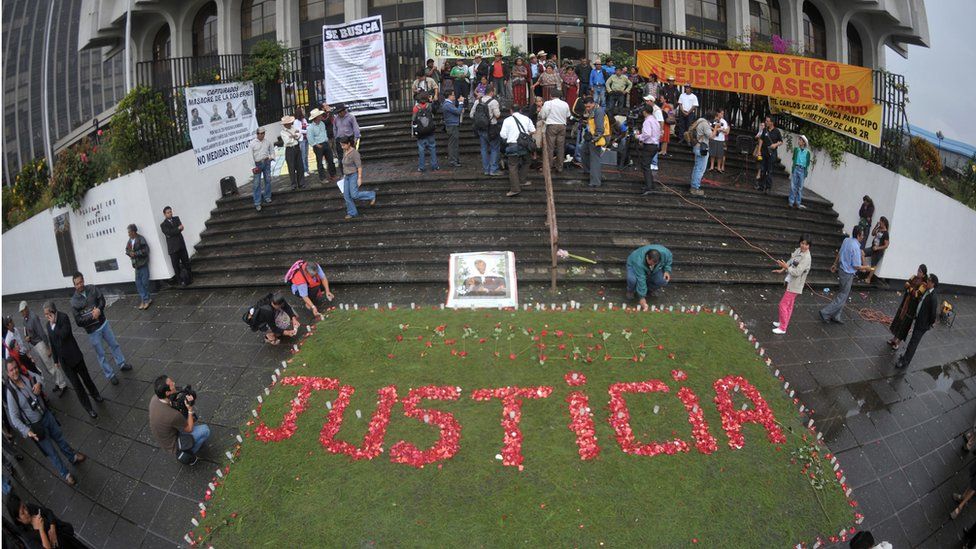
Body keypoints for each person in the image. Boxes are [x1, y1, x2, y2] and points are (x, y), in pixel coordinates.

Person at [5, 359, 85, 485]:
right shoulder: (11, 393)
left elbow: (39, 377)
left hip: (46, 415)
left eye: (15, 368)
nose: (14, 371)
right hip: (37, 427)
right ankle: (66, 474)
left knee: (60, 438)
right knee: (52, 453)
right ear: (7, 373)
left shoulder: (26, 375)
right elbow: (14, 418)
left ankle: (72, 457)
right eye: (11, 370)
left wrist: (39, 385)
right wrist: (27, 431)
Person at [69, 272, 133, 384]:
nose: (79, 285)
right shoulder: (73, 301)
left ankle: (121, 363)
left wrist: (99, 309)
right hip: (92, 331)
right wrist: (92, 316)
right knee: (101, 354)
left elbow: (102, 300)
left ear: (83, 280)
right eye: (77, 284)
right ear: (74, 285)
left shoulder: (93, 288)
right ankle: (110, 374)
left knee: (114, 345)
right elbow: (78, 321)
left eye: (80, 282)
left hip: (104, 324)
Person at [44, 302, 102, 418]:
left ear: (52, 311)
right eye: (45, 314)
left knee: (86, 379)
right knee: (77, 386)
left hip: (75, 356)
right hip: (65, 362)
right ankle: (89, 408)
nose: (46, 316)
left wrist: (54, 324)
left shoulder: (63, 317)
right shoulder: (48, 325)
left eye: (47, 313)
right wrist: (55, 360)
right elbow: (53, 343)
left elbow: (64, 335)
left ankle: (96, 395)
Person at [149, 375, 209, 463]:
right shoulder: (173, 415)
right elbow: (189, 429)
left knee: (185, 420)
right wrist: (190, 409)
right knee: (205, 430)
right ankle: (188, 454)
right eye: (171, 384)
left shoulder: (155, 398)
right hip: (173, 444)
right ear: (167, 393)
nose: (174, 383)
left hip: (164, 437)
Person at [820, 226, 873, 324]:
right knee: (843, 295)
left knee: (842, 294)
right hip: (848, 273)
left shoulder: (846, 240)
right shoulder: (856, 247)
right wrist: (866, 267)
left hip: (841, 269)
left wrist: (835, 264)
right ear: (858, 235)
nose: (863, 237)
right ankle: (825, 312)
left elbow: (840, 253)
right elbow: (856, 266)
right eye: (862, 235)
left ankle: (836, 315)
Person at [18, 302, 68, 394]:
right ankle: (58, 382)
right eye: (21, 312)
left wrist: (48, 347)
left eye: (23, 311)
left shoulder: (33, 317)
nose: (22, 313)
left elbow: (42, 333)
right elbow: (27, 332)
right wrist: (27, 337)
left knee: (51, 366)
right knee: (46, 367)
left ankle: (63, 385)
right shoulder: (25, 320)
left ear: (26, 308)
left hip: (41, 344)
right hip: (35, 345)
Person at [6, 492, 82, 548]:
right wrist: (41, 529)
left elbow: (48, 512)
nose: (27, 511)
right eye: (22, 513)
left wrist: (52, 528)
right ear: (18, 519)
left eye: (24, 507)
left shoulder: (30, 508)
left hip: (66, 538)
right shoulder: (27, 535)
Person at [896, 274, 940, 369]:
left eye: (929, 280)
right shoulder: (927, 291)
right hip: (918, 320)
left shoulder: (933, 297)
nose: (927, 281)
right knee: (912, 341)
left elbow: (933, 314)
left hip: (922, 325)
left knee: (913, 343)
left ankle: (904, 361)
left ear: (933, 283)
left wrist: (929, 323)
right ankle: (905, 358)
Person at [771, 234, 813, 335]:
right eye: (802, 243)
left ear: (809, 246)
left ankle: (783, 328)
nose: (804, 246)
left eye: (806, 244)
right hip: (791, 281)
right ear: (800, 243)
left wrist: (785, 267)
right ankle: (782, 322)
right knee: (789, 306)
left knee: (783, 305)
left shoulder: (806, 257)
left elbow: (797, 272)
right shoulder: (799, 250)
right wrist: (782, 269)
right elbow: (791, 261)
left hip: (795, 285)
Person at [887, 264, 928, 350]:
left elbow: (916, 294)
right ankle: (894, 339)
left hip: (911, 307)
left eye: (920, 271)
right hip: (905, 302)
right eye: (918, 270)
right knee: (899, 320)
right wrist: (911, 289)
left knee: (905, 324)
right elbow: (906, 284)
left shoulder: (924, 284)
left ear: (924, 274)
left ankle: (898, 342)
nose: (918, 272)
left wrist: (909, 288)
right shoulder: (913, 277)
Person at [499, 105, 536, 197]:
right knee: (527, 161)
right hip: (524, 145)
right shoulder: (526, 118)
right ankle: (522, 180)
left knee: (513, 166)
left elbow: (503, 135)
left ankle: (515, 188)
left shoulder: (507, 120)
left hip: (512, 145)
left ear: (511, 111)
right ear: (520, 110)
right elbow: (533, 130)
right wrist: (525, 134)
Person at [625, 244, 673, 310]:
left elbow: (669, 258)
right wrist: (642, 298)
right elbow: (641, 278)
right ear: (647, 257)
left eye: (654, 264)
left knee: (663, 280)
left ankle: (649, 289)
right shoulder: (639, 262)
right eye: (650, 263)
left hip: (654, 270)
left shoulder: (665, 253)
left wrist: (667, 270)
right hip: (633, 265)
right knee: (632, 280)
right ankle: (631, 291)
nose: (652, 265)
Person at [338, 136, 376, 220]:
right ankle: (352, 212)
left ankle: (371, 195)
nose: (342, 147)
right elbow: (344, 165)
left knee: (354, 195)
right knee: (346, 196)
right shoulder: (345, 151)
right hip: (346, 176)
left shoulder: (354, 153)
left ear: (348, 144)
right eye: (341, 145)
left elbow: (359, 167)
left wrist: (359, 178)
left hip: (353, 175)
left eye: (344, 145)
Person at [471, 84, 502, 176]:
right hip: (492, 128)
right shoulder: (494, 102)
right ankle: (493, 169)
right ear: (492, 92)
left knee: (484, 149)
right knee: (494, 148)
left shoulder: (477, 101)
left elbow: (471, 115)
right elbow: (497, 115)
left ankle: (486, 169)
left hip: (481, 128)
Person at [688, 111, 720, 197]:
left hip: (696, 146)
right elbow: (711, 136)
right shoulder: (705, 124)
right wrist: (716, 128)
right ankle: (695, 188)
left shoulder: (700, 120)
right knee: (700, 168)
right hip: (701, 148)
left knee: (697, 167)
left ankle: (693, 185)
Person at [539, 89, 570, 174]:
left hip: (552, 125)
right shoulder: (565, 104)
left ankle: (548, 167)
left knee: (550, 147)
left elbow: (543, 115)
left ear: (551, 95)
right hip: (562, 126)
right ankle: (559, 167)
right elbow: (568, 115)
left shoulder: (548, 103)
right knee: (560, 147)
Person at [581, 97, 609, 188]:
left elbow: (600, 129)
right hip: (592, 136)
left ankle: (595, 181)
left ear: (593, 103)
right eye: (586, 107)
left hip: (598, 137)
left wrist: (594, 139)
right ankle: (589, 172)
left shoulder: (598, 111)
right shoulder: (593, 110)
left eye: (589, 106)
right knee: (583, 151)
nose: (587, 108)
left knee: (595, 159)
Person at [160, 206, 191, 286]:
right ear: (164, 214)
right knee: (176, 266)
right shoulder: (163, 225)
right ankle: (180, 282)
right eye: (168, 212)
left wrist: (174, 231)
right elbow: (169, 232)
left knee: (186, 263)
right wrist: (177, 229)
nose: (170, 213)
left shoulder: (176, 219)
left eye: (170, 212)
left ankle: (190, 278)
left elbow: (180, 228)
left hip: (181, 245)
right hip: (173, 249)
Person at [124, 224, 152, 309]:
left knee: (145, 283)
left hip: (142, 264)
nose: (128, 234)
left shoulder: (141, 238)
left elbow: (146, 250)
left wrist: (135, 253)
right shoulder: (129, 241)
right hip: (136, 265)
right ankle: (145, 299)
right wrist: (130, 253)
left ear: (133, 232)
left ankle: (146, 300)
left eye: (129, 232)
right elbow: (127, 250)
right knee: (138, 283)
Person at [636, 105, 661, 196]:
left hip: (649, 146)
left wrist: (639, 137)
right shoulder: (655, 121)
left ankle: (649, 186)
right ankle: (651, 184)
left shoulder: (647, 121)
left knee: (645, 166)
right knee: (647, 165)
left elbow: (647, 134)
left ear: (645, 111)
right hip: (654, 145)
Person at [412, 92, 440, 172]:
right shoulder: (429, 106)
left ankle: (421, 167)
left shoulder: (416, 108)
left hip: (420, 132)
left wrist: (414, 132)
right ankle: (434, 166)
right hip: (430, 130)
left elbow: (414, 121)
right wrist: (432, 101)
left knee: (421, 149)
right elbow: (435, 111)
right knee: (432, 148)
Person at [308, 108, 337, 182]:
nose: (321, 116)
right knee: (320, 163)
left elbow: (324, 133)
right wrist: (317, 145)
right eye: (320, 115)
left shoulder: (322, 123)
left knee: (330, 160)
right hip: (318, 145)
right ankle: (322, 178)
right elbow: (310, 139)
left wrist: (327, 141)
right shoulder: (310, 127)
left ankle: (333, 175)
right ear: (316, 117)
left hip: (325, 143)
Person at [756, 116, 783, 194]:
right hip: (764, 152)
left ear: (772, 122)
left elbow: (781, 141)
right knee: (763, 169)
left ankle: (768, 187)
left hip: (772, 153)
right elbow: (761, 140)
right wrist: (759, 151)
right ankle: (761, 185)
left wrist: (775, 144)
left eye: (767, 121)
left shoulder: (777, 131)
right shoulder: (765, 130)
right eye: (766, 121)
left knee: (769, 170)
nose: (766, 122)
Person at [250, 127, 275, 211]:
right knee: (256, 183)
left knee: (268, 180)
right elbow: (250, 156)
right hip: (257, 164)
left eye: (263, 133)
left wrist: (271, 157)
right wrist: (253, 167)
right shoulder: (252, 143)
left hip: (266, 162)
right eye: (260, 133)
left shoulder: (267, 142)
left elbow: (272, 151)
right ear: (257, 134)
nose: (262, 135)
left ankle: (267, 196)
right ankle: (257, 202)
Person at [332, 104, 360, 176]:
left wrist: (356, 138)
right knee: (341, 157)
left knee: (352, 156)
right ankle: (344, 173)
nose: (340, 113)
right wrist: (336, 137)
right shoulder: (336, 119)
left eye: (341, 111)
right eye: (338, 112)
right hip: (340, 139)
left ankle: (354, 172)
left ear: (344, 111)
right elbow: (335, 128)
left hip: (349, 139)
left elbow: (355, 127)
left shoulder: (351, 117)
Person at [280, 115, 305, 190]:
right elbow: (287, 141)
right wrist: (294, 136)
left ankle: (301, 183)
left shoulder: (294, 127)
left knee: (300, 166)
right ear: (285, 124)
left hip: (296, 148)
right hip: (289, 149)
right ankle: (293, 184)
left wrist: (292, 136)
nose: (290, 124)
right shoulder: (282, 132)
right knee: (291, 167)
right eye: (288, 123)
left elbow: (299, 135)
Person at [863, 216, 890, 284]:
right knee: (861, 252)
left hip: (878, 252)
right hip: (872, 248)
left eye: (880, 222)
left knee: (873, 266)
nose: (879, 222)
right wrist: (876, 226)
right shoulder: (879, 229)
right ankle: (864, 267)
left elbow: (886, 245)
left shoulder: (886, 233)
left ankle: (868, 279)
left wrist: (878, 248)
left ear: (884, 223)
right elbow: (872, 234)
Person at [441, 89, 464, 167]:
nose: (454, 96)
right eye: (453, 95)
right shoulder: (447, 104)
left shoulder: (448, 104)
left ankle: (455, 159)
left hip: (452, 125)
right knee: (453, 144)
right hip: (452, 126)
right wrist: (461, 103)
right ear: (449, 96)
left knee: (454, 144)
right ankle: (453, 160)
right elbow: (457, 112)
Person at [789, 135, 811, 209]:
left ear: (804, 143)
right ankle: (791, 202)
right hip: (796, 168)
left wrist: (805, 172)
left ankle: (798, 203)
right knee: (793, 186)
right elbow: (793, 158)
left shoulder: (807, 152)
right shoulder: (796, 150)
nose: (799, 141)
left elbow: (807, 163)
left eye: (800, 140)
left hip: (802, 169)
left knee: (800, 187)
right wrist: (793, 167)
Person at [707, 109, 730, 173]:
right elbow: (709, 127)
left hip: (721, 139)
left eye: (723, 113)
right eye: (721, 113)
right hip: (714, 138)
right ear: (718, 113)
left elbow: (726, 131)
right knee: (712, 153)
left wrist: (721, 130)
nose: (722, 115)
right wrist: (716, 128)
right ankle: (711, 167)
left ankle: (719, 167)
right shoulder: (713, 120)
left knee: (720, 154)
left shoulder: (724, 121)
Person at [294, 107, 310, 176]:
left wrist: (307, 129)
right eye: (302, 110)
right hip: (301, 140)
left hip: (306, 139)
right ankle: (304, 171)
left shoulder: (304, 119)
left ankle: (307, 169)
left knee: (306, 155)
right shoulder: (296, 121)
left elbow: (307, 126)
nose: (304, 111)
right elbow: (299, 130)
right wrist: (307, 131)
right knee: (303, 155)